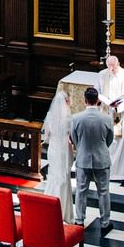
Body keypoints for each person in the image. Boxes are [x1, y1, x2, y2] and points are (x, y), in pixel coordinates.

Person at [68, 86, 114, 232]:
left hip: (83, 158)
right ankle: (105, 222)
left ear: (85, 101)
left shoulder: (76, 118)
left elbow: (74, 138)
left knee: (81, 191)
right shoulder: (107, 118)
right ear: (98, 101)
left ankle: (79, 221)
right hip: (102, 158)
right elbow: (109, 139)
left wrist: (81, 148)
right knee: (104, 191)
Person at [98, 55, 124, 181]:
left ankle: (119, 170)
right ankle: (104, 168)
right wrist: (102, 99)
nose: (111, 70)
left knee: (119, 140)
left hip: (120, 114)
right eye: (109, 67)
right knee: (105, 140)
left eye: (114, 67)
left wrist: (118, 105)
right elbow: (96, 90)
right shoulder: (102, 74)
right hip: (105, 112)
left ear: (118, 64)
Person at [39, 88, 74, 219]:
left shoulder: (50, 116)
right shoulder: (69, 119)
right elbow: (72, 137)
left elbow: (46, 137)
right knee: (64, 178)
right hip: (64, 149)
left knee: (54, 176)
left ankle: (49, 208)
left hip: (54, 149)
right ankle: (64, 212)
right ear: (66, 101)